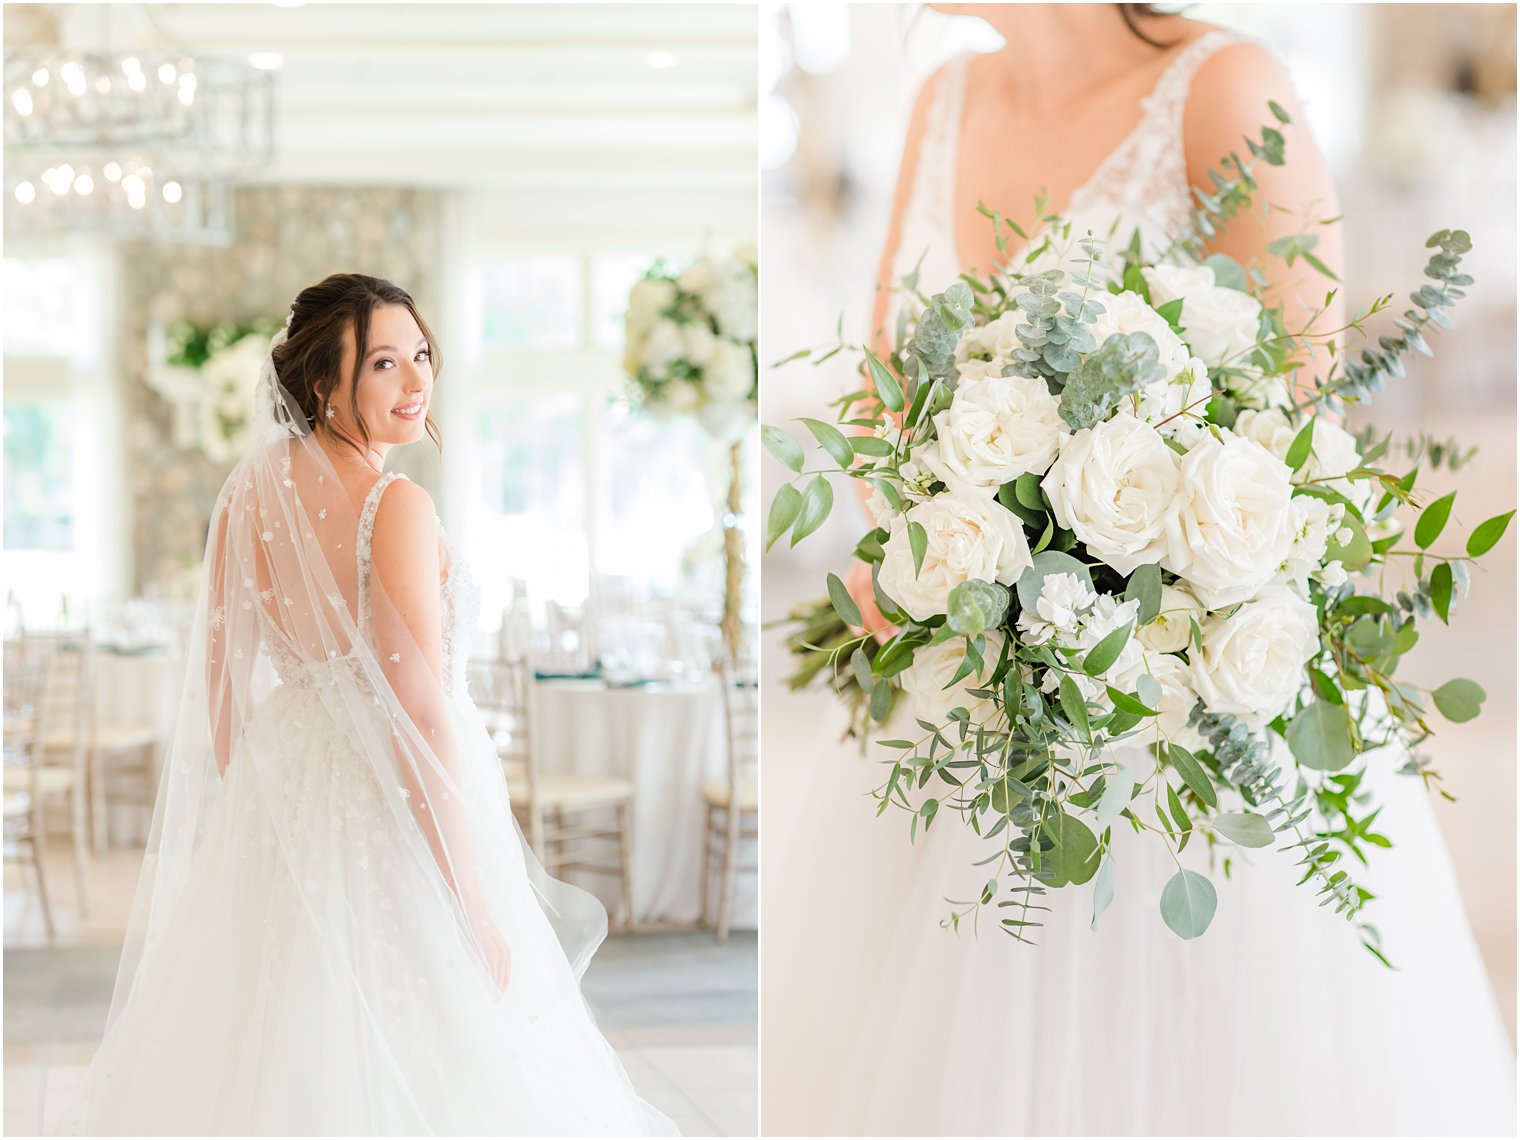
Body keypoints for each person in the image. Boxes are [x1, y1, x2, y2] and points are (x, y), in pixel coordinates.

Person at [763, 7, 1516, 1135]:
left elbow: (1287, 422)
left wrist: (1092, 553)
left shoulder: (1224, 87)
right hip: (959, 688)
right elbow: (882, 397)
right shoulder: (939, 102)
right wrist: (927, 545)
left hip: (1185, 691)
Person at [61, 274, 676, 1136]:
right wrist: (469, 903)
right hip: (396, 802)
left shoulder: (248, 490)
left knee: (267, 1035)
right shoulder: (396, 505)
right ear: (322, 384)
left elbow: (223, 683)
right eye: (383, 363)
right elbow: (415, 712)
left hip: (285, 787)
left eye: (420, 354)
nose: (415, 380)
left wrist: (257, 804)